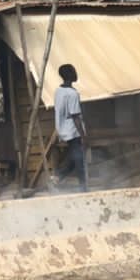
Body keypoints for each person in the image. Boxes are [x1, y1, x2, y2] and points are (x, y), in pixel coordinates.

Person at [53, 63, 87, 191]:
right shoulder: (72, 94)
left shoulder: (58, 91)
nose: (76, 73)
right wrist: (83, 135)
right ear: (69, 75)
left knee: (75, 157)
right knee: (79, 160)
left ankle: (58, 177)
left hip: (63, 129)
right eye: (74, 71)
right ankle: (83, 187)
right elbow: (75, 116)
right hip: (73, 130)